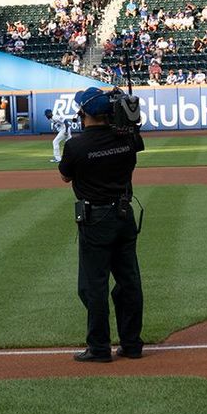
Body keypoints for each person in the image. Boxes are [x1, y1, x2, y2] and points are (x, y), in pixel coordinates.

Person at [59, 87, 145, 363]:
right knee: (129, 282)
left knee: (93, 285)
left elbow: (65, 176)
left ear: (83, 112)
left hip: (96, 220)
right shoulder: (127, 139)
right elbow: (133, 144)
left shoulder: (76, 145)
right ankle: (131, 344)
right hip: (123, 215)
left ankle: (99, 348)